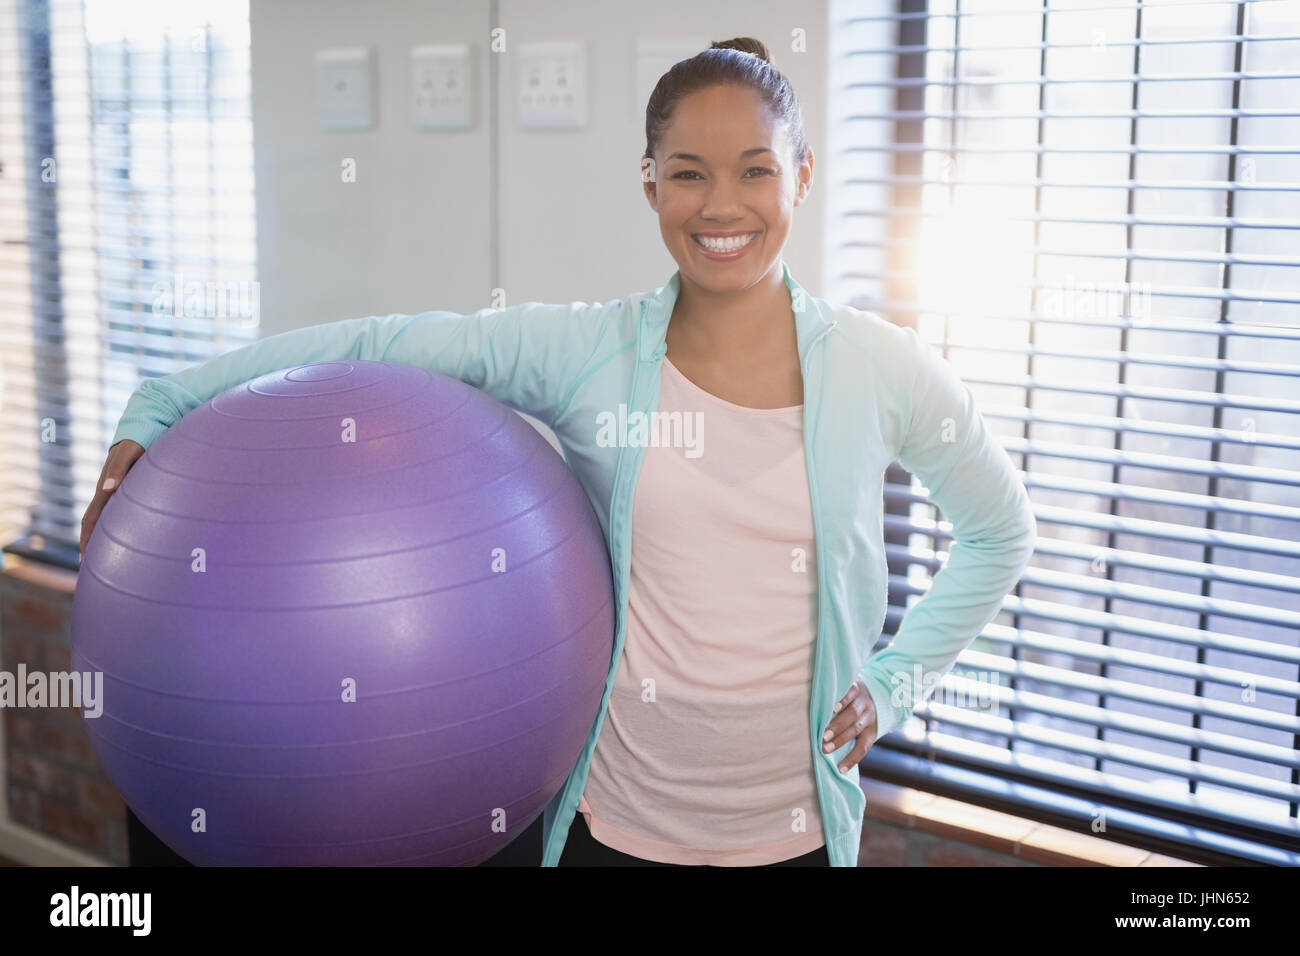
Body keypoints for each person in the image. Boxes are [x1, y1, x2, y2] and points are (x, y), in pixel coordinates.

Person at [80, 37, 1037, 868]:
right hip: (613, 822)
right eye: (689, 171)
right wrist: (168, 399)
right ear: (651, 182)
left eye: (755, 169)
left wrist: (895, 679)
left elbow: (1000, 531)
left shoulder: (880, 366)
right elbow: (381, 342)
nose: (722, 204)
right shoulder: (589, 352)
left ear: (803, 177)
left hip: (793, 829)